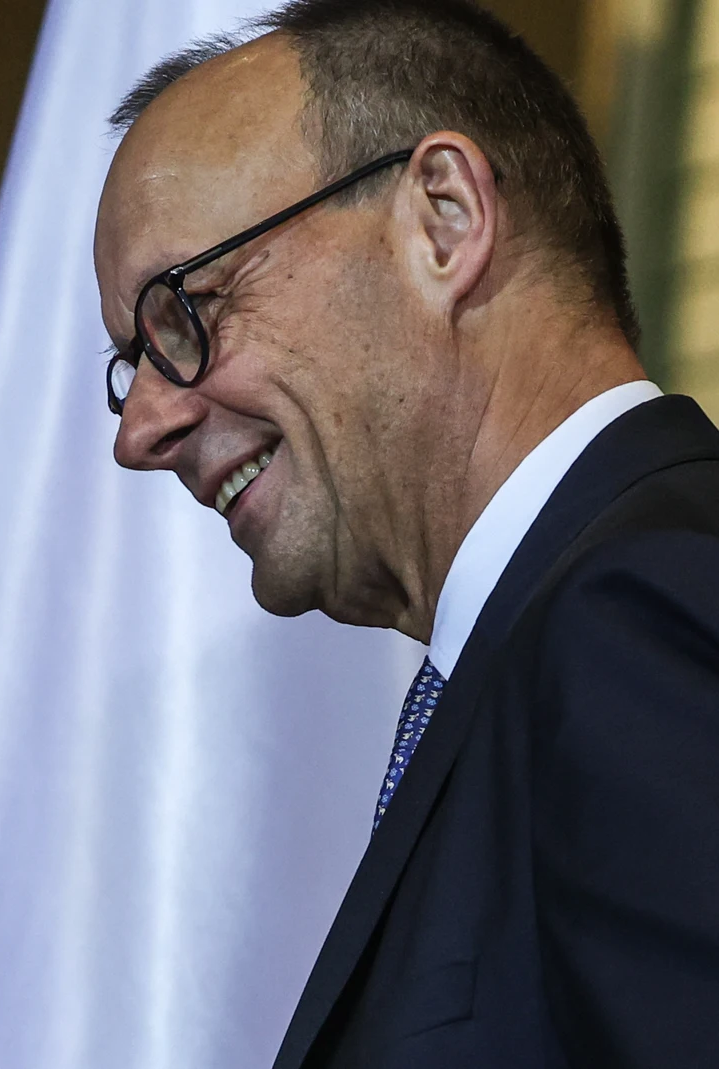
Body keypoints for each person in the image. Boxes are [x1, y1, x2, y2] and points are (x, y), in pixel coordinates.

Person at [98, 1, 719, 1065]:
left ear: (443, 218)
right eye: (131, 365)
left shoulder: (642, 608)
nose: (141, 431)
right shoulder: (557, 648)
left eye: (184, 316)